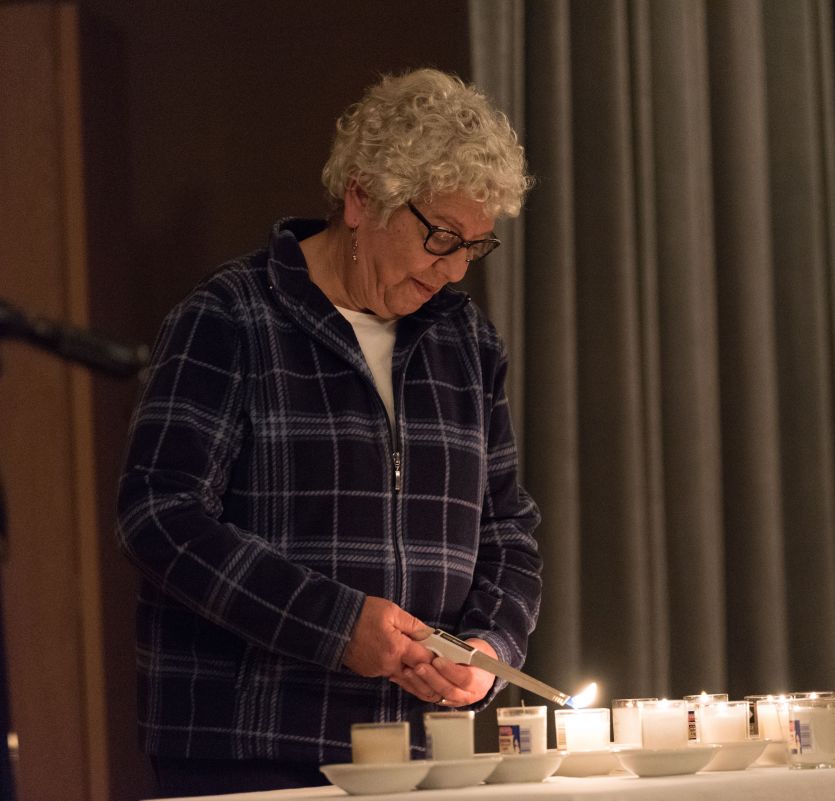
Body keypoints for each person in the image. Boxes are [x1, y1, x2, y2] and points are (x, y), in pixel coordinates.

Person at [116, 69, 542, 797]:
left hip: (419, 755)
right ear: (360, 197)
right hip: (251, 748)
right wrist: (338, 624)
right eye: (439, 236)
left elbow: (509, 527)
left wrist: (488, 648)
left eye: (474, 246)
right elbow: (159, 516)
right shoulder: (232, 318)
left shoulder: (465, 342)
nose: (453, 268)